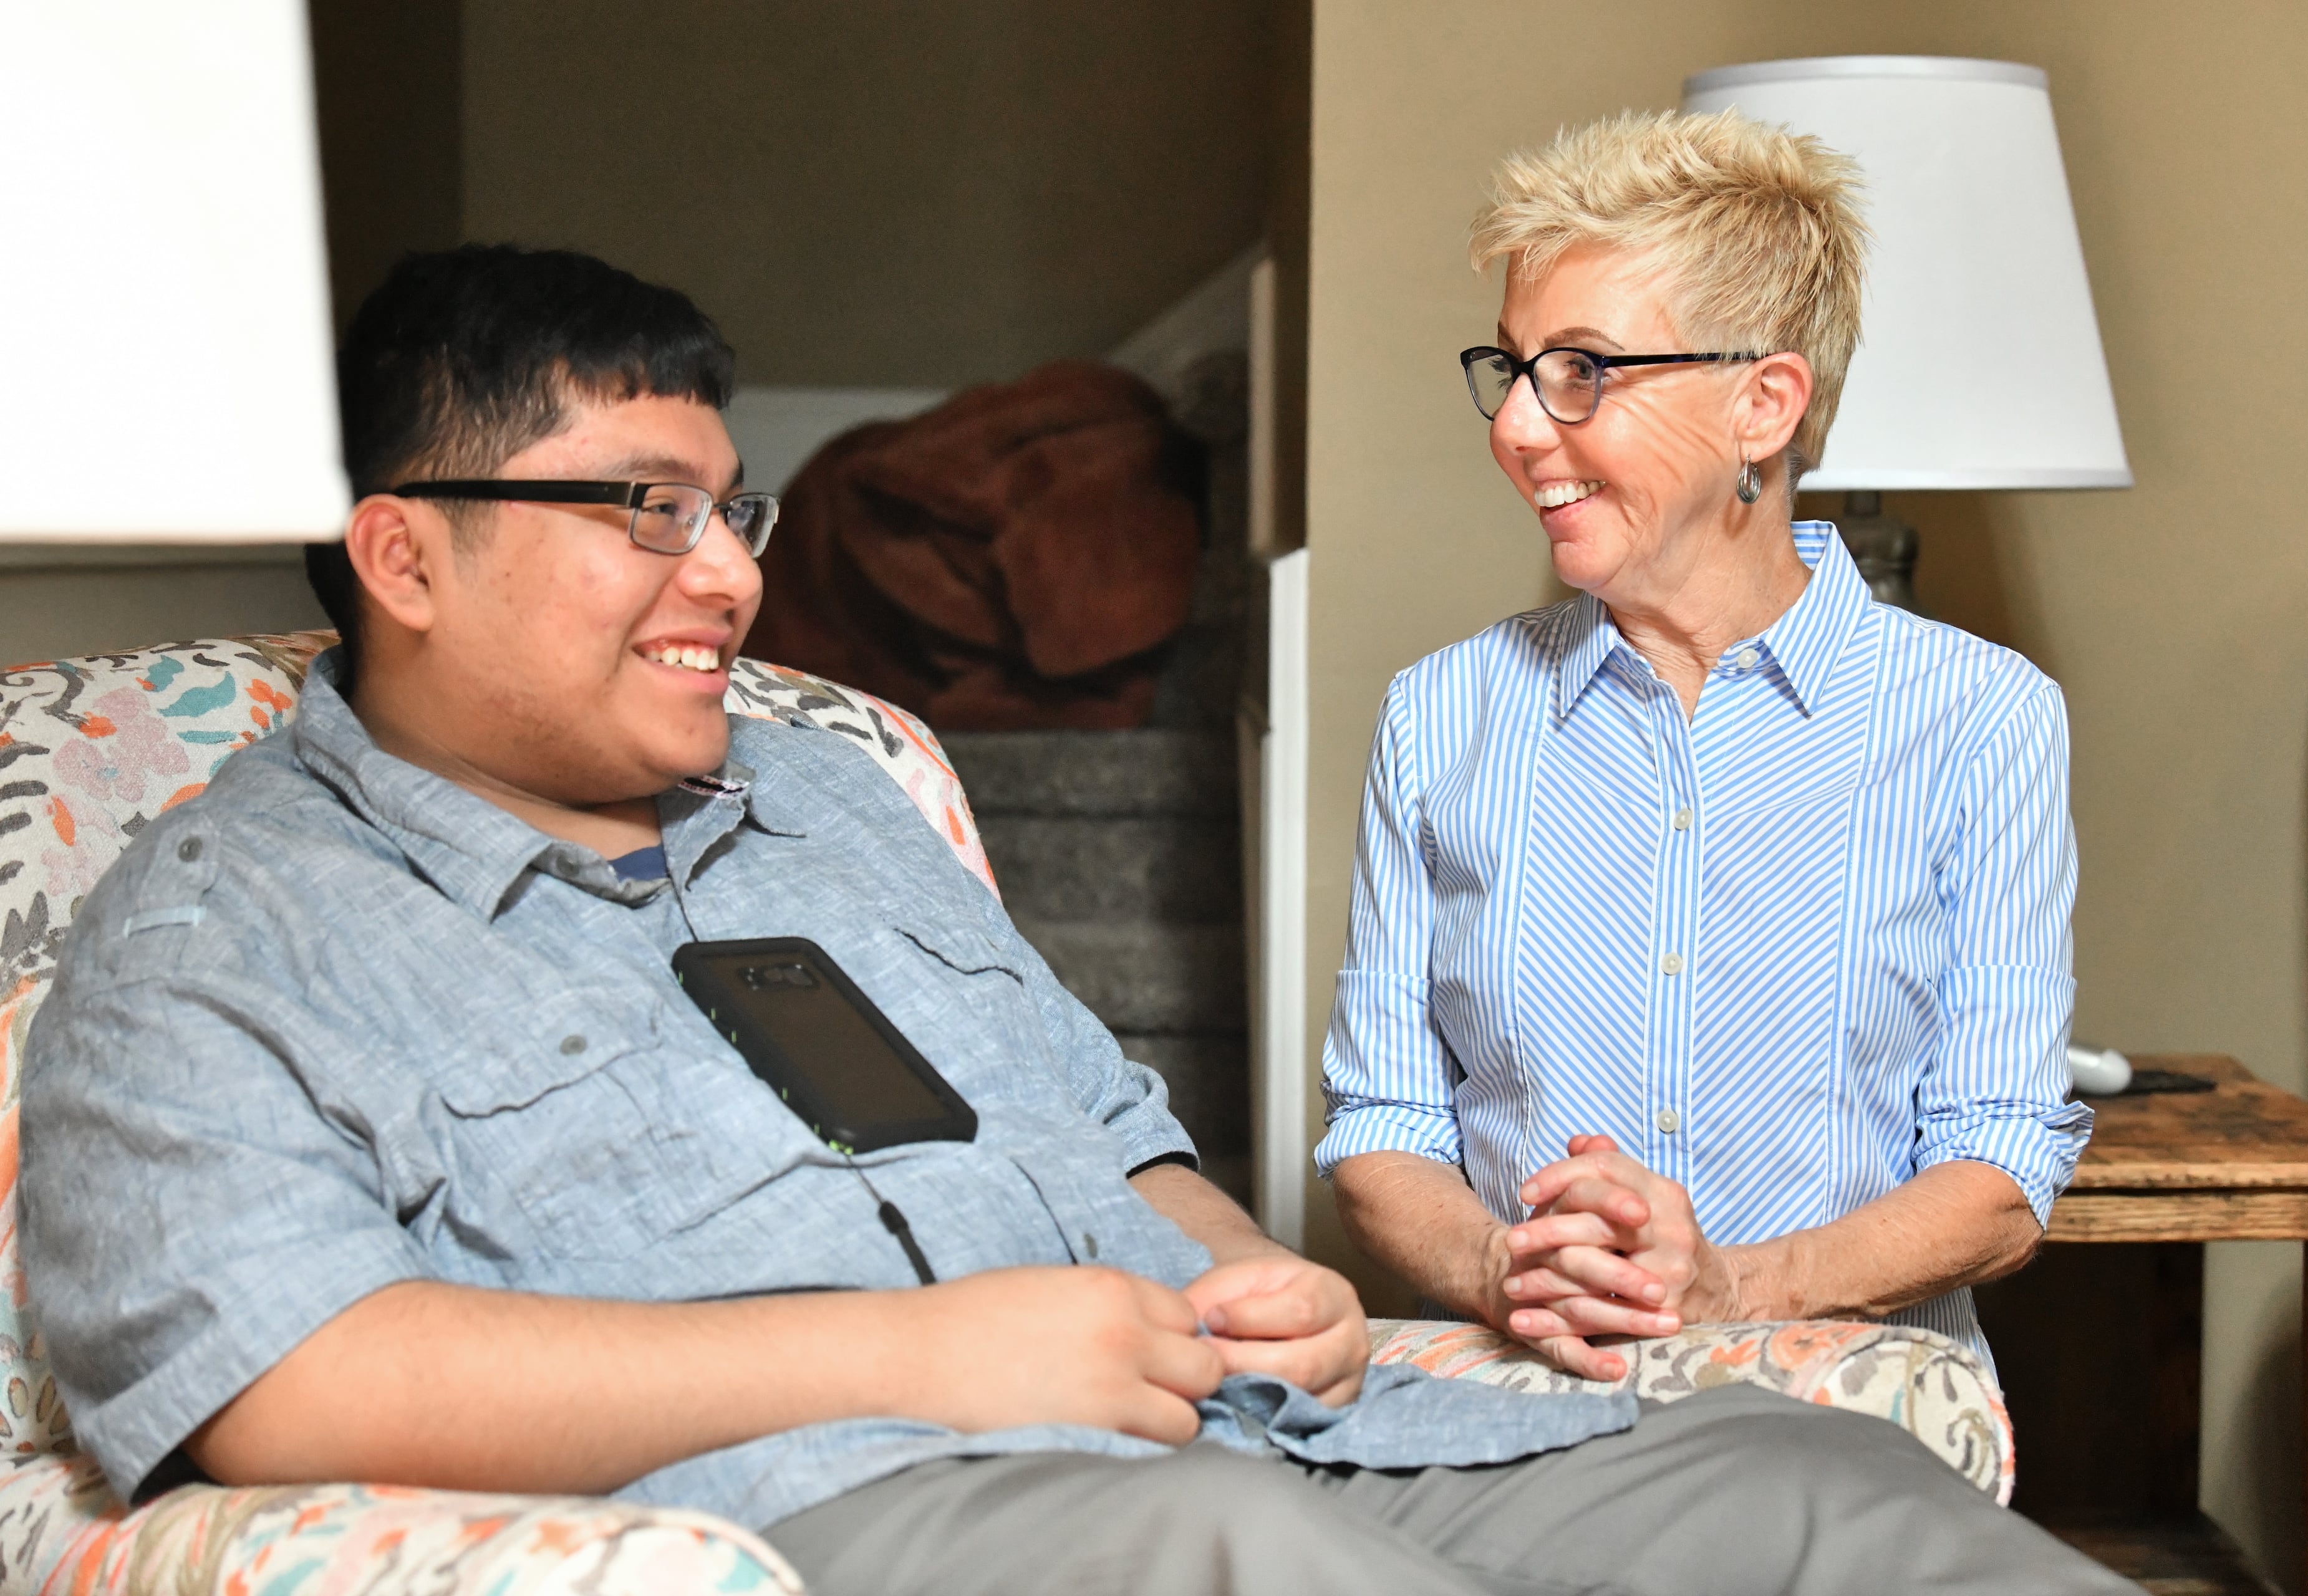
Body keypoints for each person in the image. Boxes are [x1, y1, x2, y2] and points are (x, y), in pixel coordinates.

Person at [22, 244, 2130, 1595]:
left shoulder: (829, 798)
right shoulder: (215, 932)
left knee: (1815, 1498)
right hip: (874, 1506)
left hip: (1282, 1427)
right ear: (403, 555)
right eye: (637, 513)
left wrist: (1245, 1273)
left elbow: (1111, 1122)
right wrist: (928, 1355)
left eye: (727, 506)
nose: (733, 576)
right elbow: (283, 1383)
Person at [1321, 107, 2089, 1387]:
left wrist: (1735, 1284)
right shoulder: (1438, 717)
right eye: (1511, 369)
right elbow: (1384, 1130)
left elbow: (2000, 1169)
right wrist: (1505, 1268)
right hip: (1536, 1402)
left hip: (1850, 1412)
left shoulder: (1983, 716)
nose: (1517, 426)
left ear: (1764, 403)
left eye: (1584, 370)